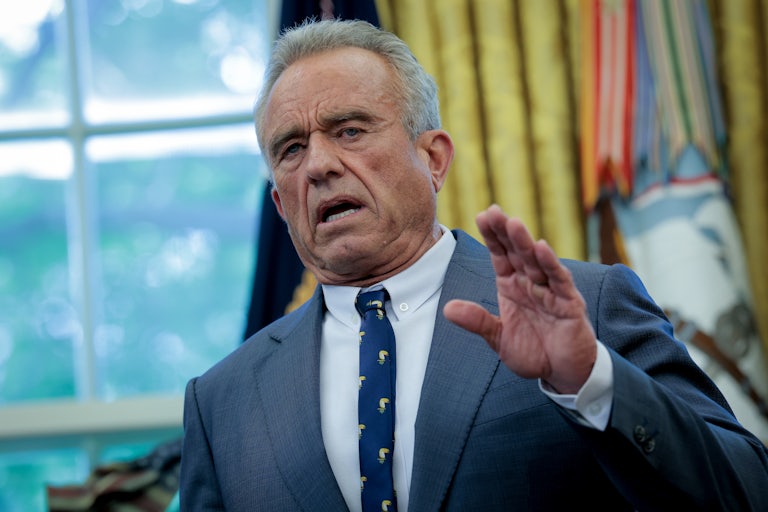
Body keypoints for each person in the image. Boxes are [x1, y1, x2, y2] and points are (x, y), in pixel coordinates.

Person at [179, 19, 768, 511]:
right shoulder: (221, 403)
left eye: (350, 130)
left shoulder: (590, 307)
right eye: (292, 148)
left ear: (433, 158)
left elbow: (747, 492)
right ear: (282, 203)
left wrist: (592, 379)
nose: (319, 165)